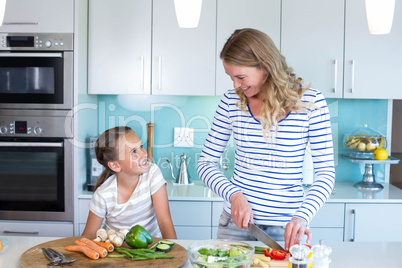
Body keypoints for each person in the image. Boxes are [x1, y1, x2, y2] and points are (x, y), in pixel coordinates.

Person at [197, 28, 335, 250]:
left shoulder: (311, 102)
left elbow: (326, 173)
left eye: (240, 77)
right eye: (230, 77)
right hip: (236, 225)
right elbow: (205, 164)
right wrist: (234, 195)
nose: (235, 85)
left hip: (286, 229)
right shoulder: (230, 102)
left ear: (265, 66)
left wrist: (302, 216)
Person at [82, 126, 177, 239]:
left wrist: (173, 251)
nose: (144, 154)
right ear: (115, 165)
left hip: (152, 249)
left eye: (141, 146)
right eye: (133, 152)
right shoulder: (103, 194)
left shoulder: (152, 174)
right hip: (118, 252)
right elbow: (87, 238)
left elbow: (164, 221)